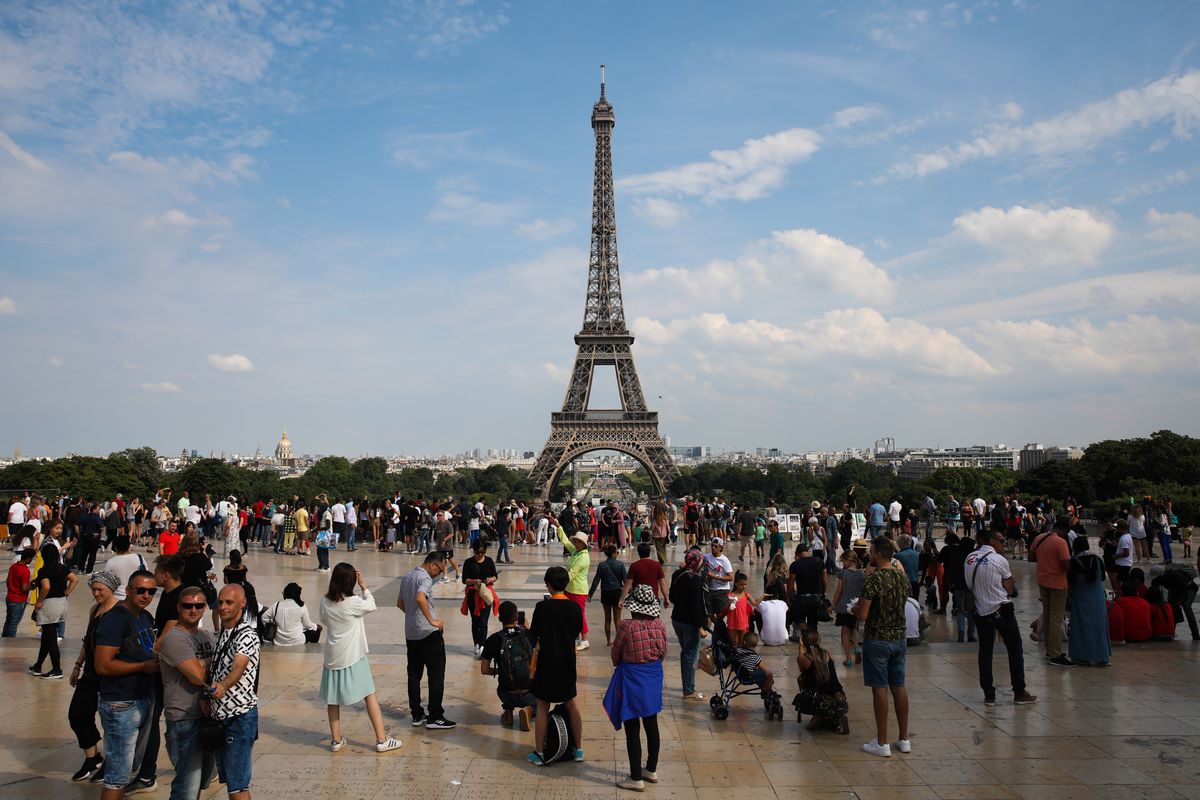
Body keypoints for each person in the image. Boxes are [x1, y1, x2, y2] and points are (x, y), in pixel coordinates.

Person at [319, 564, 401, 753]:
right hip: (353, 655)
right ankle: (382, 739)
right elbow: (371, 605)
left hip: (333, 656)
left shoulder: (325, 601)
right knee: (369, 695)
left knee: (333, 699)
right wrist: (364, 587)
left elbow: (324, 620)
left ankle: (336, 740)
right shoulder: (354, 602)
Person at [94, 569, 159, 800]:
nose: (146, 595)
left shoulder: (145, 617)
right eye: (140, 590)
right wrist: (141, 667)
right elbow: (102, 665)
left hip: (142, 697)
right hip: (120, 703)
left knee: (127, 769)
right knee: (117, 777)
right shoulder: (115, 619)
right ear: (129, 590)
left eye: (151, 591)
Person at [964, 528, 1037, 707]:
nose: (1004, 544)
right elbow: (1010, 587)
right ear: (992, 542)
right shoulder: (999, 559)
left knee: (985, 651)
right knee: (1015, 648)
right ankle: (1019, 691)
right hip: (1001, 609)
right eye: (1001, 541)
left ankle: (989, 694)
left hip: (980, 610)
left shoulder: (969, 558)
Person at [604, 585, 667, 792]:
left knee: (632, 728)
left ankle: (635, 778)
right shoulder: (660, 625)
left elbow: (615, 655)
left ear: (635, 607)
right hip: (653, 678)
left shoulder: (626, 626)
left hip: (632, 679)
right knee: (651, 723)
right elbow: (663, 653)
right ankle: (651, 769)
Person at [158, 585, 217, 800]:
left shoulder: (206, 636)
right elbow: (198, 676)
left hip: (206, 717)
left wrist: (204, 665)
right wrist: (211, 665)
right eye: (188, 606)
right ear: (178, 607)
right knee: (187, 787)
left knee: (201, 782)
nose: (193, 610)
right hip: (184, 718)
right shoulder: (174, 638)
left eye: (199, 605)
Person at [853, 537, 911, 757]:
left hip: (877, 638)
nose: (869, 554)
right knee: (899, 685)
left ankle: (882, 742)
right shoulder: (902, 577)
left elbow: (864, 614)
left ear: (878, 554)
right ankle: (904, 738)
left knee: (880, 688)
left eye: (871, 551)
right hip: (899, 637)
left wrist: (854, 610)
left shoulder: (873, 580)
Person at [527, 565, 585, 766]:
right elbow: (576, 632)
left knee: (542, 706)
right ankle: (578, 749)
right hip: (567, 662)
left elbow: (533, 635)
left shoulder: (542, 608)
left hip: (547, 663)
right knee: (571, 704)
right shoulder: (575, 607)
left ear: (549, 585)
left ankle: (540, 752)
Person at [68, 570, 120, 782]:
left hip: (109, 674)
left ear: (111, 589)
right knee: (78, 714)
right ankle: (92, 758)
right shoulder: (94, 610)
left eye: (100, 589)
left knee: (111, 722)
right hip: (90, 673)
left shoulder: (120, 611)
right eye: (94, 589)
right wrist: (77, 665)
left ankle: (112, 763)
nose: (96, 593)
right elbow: (87, 639)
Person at [210, 584, 261, 800]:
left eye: (229, 602)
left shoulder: (246, 634)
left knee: (238, 786)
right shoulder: (224, 632)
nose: (223, 607)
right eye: (220, 602)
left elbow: (238, 666)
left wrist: (224, 684)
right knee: (233, 783)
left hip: (239, 718)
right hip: (223, 717)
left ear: (243, 603)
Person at [397, 552, 455, 729]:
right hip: (429, 635)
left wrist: (414, 618)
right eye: (440, 569)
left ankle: (417, 714)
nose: (439, 574)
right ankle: (435, 716)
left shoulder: (407, 577)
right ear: (432, 565)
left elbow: (400, 603)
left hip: (411, 634)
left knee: (414, 674)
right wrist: (431, 620)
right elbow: (420, 597)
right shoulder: (425, 579)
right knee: (436, 674)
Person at [480, 600, 536, 730]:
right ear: (517, 617)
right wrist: (526, 629)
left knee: (504, 687)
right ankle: (529, 711)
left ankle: (508, 712)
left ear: (500, 618)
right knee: (541, 705)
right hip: (529, 692)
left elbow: (484, 670)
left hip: (506, 693)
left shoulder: (493, 639)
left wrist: (502, 670)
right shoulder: (527, 634)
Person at [29, 542, 78, 678]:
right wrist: (66, 592)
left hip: (49, 605)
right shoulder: (62, 568)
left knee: (50, 640)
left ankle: (57, 670)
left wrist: (39, 601)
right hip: (61, 603)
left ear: (44, 556)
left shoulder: (44, 570)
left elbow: (46, 587)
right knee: (47, 637)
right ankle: (38, 666)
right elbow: (74, 579)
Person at [1030, 517, 1074, 667]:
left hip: (1042, 581)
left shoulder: (1039, 538)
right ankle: (1055, 654)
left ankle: (1050, 650)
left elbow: (1031, 556)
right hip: (1058, 583)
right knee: (1056, 618)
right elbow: (1066, 565)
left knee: (1048, 615)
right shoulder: (1060, 542)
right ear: (1063, 530)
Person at [668, 548, 708, 702]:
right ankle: (689, 690)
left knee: (685, 653)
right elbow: (695, 605)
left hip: (677, 619)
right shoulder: (695, 578)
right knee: (691, 655)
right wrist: (700, 626)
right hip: (689, 623)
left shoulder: (677, 574)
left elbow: (672, 596)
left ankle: (687, 684)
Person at [795, 628, 850, 734]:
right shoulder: (827, 654)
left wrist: (801, 646)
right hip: (839, 697)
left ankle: (817, 715)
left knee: (801, 678)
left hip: (820, 700)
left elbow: (803, 671)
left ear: (803, 641)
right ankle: (839, 716)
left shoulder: (803, 658)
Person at [1067, 537, 1112, 666]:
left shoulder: (1075, 562)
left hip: (1081, 598)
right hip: (1097, 598)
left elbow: (1071, 581)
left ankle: (1082, 656)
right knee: (1099, 628)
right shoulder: (1097, 560)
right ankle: (1102, 656)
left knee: (1081, 628)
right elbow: (1102, 578)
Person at [556, 521, 592, 650]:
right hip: (570, 589)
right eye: (575, 541)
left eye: (578, 542)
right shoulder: (576, 552)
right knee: (571, 614)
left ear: (584, 544)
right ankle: (574, 637)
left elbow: (572, 574)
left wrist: (558, 583)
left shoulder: (583, 557)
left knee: (579, 615)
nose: (576, 544)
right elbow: (566, 542)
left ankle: (585, 640)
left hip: (578, 591)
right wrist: (558, 526)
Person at [462, 539, 499, 657]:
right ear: (474, 551)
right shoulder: (468, 562)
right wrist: (474, 581)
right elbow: (465, 580)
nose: (480, 555)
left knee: (483, 622)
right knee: (475, 621)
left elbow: (495, 576)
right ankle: (476, 644)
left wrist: (490, 579)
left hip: (486, 594)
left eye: (482, 553)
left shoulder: (489, 561)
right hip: (473, 595)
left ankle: (482, 645)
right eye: (478, 552)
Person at [588, 545, 628, 647]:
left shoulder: (602, 565)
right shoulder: (620, 565)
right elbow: (626, 581)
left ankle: (608, 641)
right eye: (616, 552)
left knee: (607, 619)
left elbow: (596, 581)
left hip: (605, 593)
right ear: (614, 553)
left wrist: (590, 594)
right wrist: (630, 593)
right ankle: (618, 642)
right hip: (617, 593)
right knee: (617, 619)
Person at [832, 550, 864, 667]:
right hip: (855, 607)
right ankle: (856, 649)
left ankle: (848, 659)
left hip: (844, 607)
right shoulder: (861, 574)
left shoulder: (843, 574)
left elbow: (838, 591)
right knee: (853, 629)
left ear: (848, 560)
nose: (842, 564)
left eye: (843, 561)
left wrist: (832, 605)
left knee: (844, 633)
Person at [787, 542, 826, 635]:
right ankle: (813, 640)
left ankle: (808, 634)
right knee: (813, 621)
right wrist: (823, 591)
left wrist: (790, 597)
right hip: (816, 595)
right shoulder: (819, 561)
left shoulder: (795, 564)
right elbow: (825, 578)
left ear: (797, 553)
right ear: (808, 551)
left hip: (802, 596)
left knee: (797, 617)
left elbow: (791, 584)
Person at [728, 630, 774, 695]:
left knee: (761, 674)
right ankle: (768, 692)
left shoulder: (737, 651)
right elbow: (764, 670)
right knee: (769, 675)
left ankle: (764, 688)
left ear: (744, 642)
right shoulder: (755, 657)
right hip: (750, 677)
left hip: (740, 674)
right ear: (756, 645)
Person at [4, 547, 35, 637]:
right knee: (14, 623)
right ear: (29, 558)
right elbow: (24, 588)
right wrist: (32, 586)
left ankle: (5, 637)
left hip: (10, 597)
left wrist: (12, 589)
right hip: (18, 600)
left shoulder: (13, 566)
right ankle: (10, 640)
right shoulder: (25, 570)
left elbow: (7, 581)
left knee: (9, 620)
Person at [104, 536, 147, 600]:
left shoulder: (111, 562)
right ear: (129, 546)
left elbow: (105, 582)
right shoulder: (139, 558)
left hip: (117, 597)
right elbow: (147, 575)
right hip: (136, 596)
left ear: (115, 547)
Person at [703, 537, 734, 619]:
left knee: (720, 615)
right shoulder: (707, 557)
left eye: (716, 546)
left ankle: (719, 629)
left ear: (721, 547)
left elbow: (731, 577)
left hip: (722, 591)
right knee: (709, 614)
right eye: (712, 546)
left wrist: (715, 577)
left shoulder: (724, 561)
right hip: (710, 590)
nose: (713, 548)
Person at [726, 571, 756, 646]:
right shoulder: (730, 595)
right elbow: (728, 609)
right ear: (736, 584)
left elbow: (755, 603)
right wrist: (730, 604)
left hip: (743, 623)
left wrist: (763, 596)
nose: (744, 586)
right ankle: (734, 657)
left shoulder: (746, 595)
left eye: (745, 584)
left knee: (742, 643)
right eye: (741, 584)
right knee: (734, 643)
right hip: (733, 623)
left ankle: (740, 657)